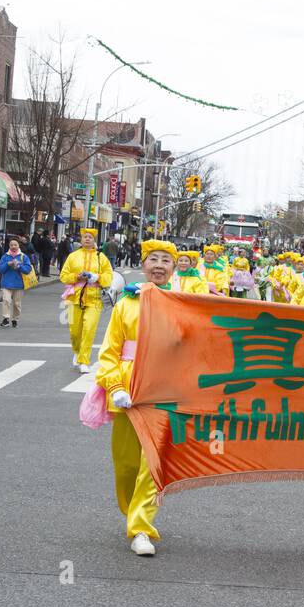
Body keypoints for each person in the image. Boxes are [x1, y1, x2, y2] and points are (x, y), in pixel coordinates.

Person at [91, 238, 179, 556]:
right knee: (126, 464)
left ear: (174, 267)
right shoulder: (126, 303)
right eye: (153, 259)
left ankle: (141, 527)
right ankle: (132, 513)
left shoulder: (182, 304)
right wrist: (115, 386)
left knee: (151, 464)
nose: (158, 265)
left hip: (163, 392)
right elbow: (110, 351)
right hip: (127, 392)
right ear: (143, 265)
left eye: (165, 261)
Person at [59, 228, 113, 373]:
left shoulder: (101, 257)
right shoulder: (73, 256)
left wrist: (97, 277)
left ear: (94, 240)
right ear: (81, 240)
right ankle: (77, 351)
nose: (87, 239)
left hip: (94, 299)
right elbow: (63, 276)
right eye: (85, 237)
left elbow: (109, 276)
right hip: (74, 298)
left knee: (89, 329)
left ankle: (84, 361)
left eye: (90, 237)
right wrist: (77, 276)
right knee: (74, 332)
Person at [0, 237, 34, 328]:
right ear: (9, 246)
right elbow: (0, 269)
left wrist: (19, 266)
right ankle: (6, 319)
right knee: (6, 301)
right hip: (6, 284)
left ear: (18, 245)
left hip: (19, 284)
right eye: (11, 245)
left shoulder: (23, 256)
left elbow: (28, 269)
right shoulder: (5, 256)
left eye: (15, 245)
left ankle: (15, 319)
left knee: (17, 304)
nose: (13, 246)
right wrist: (8, 264)